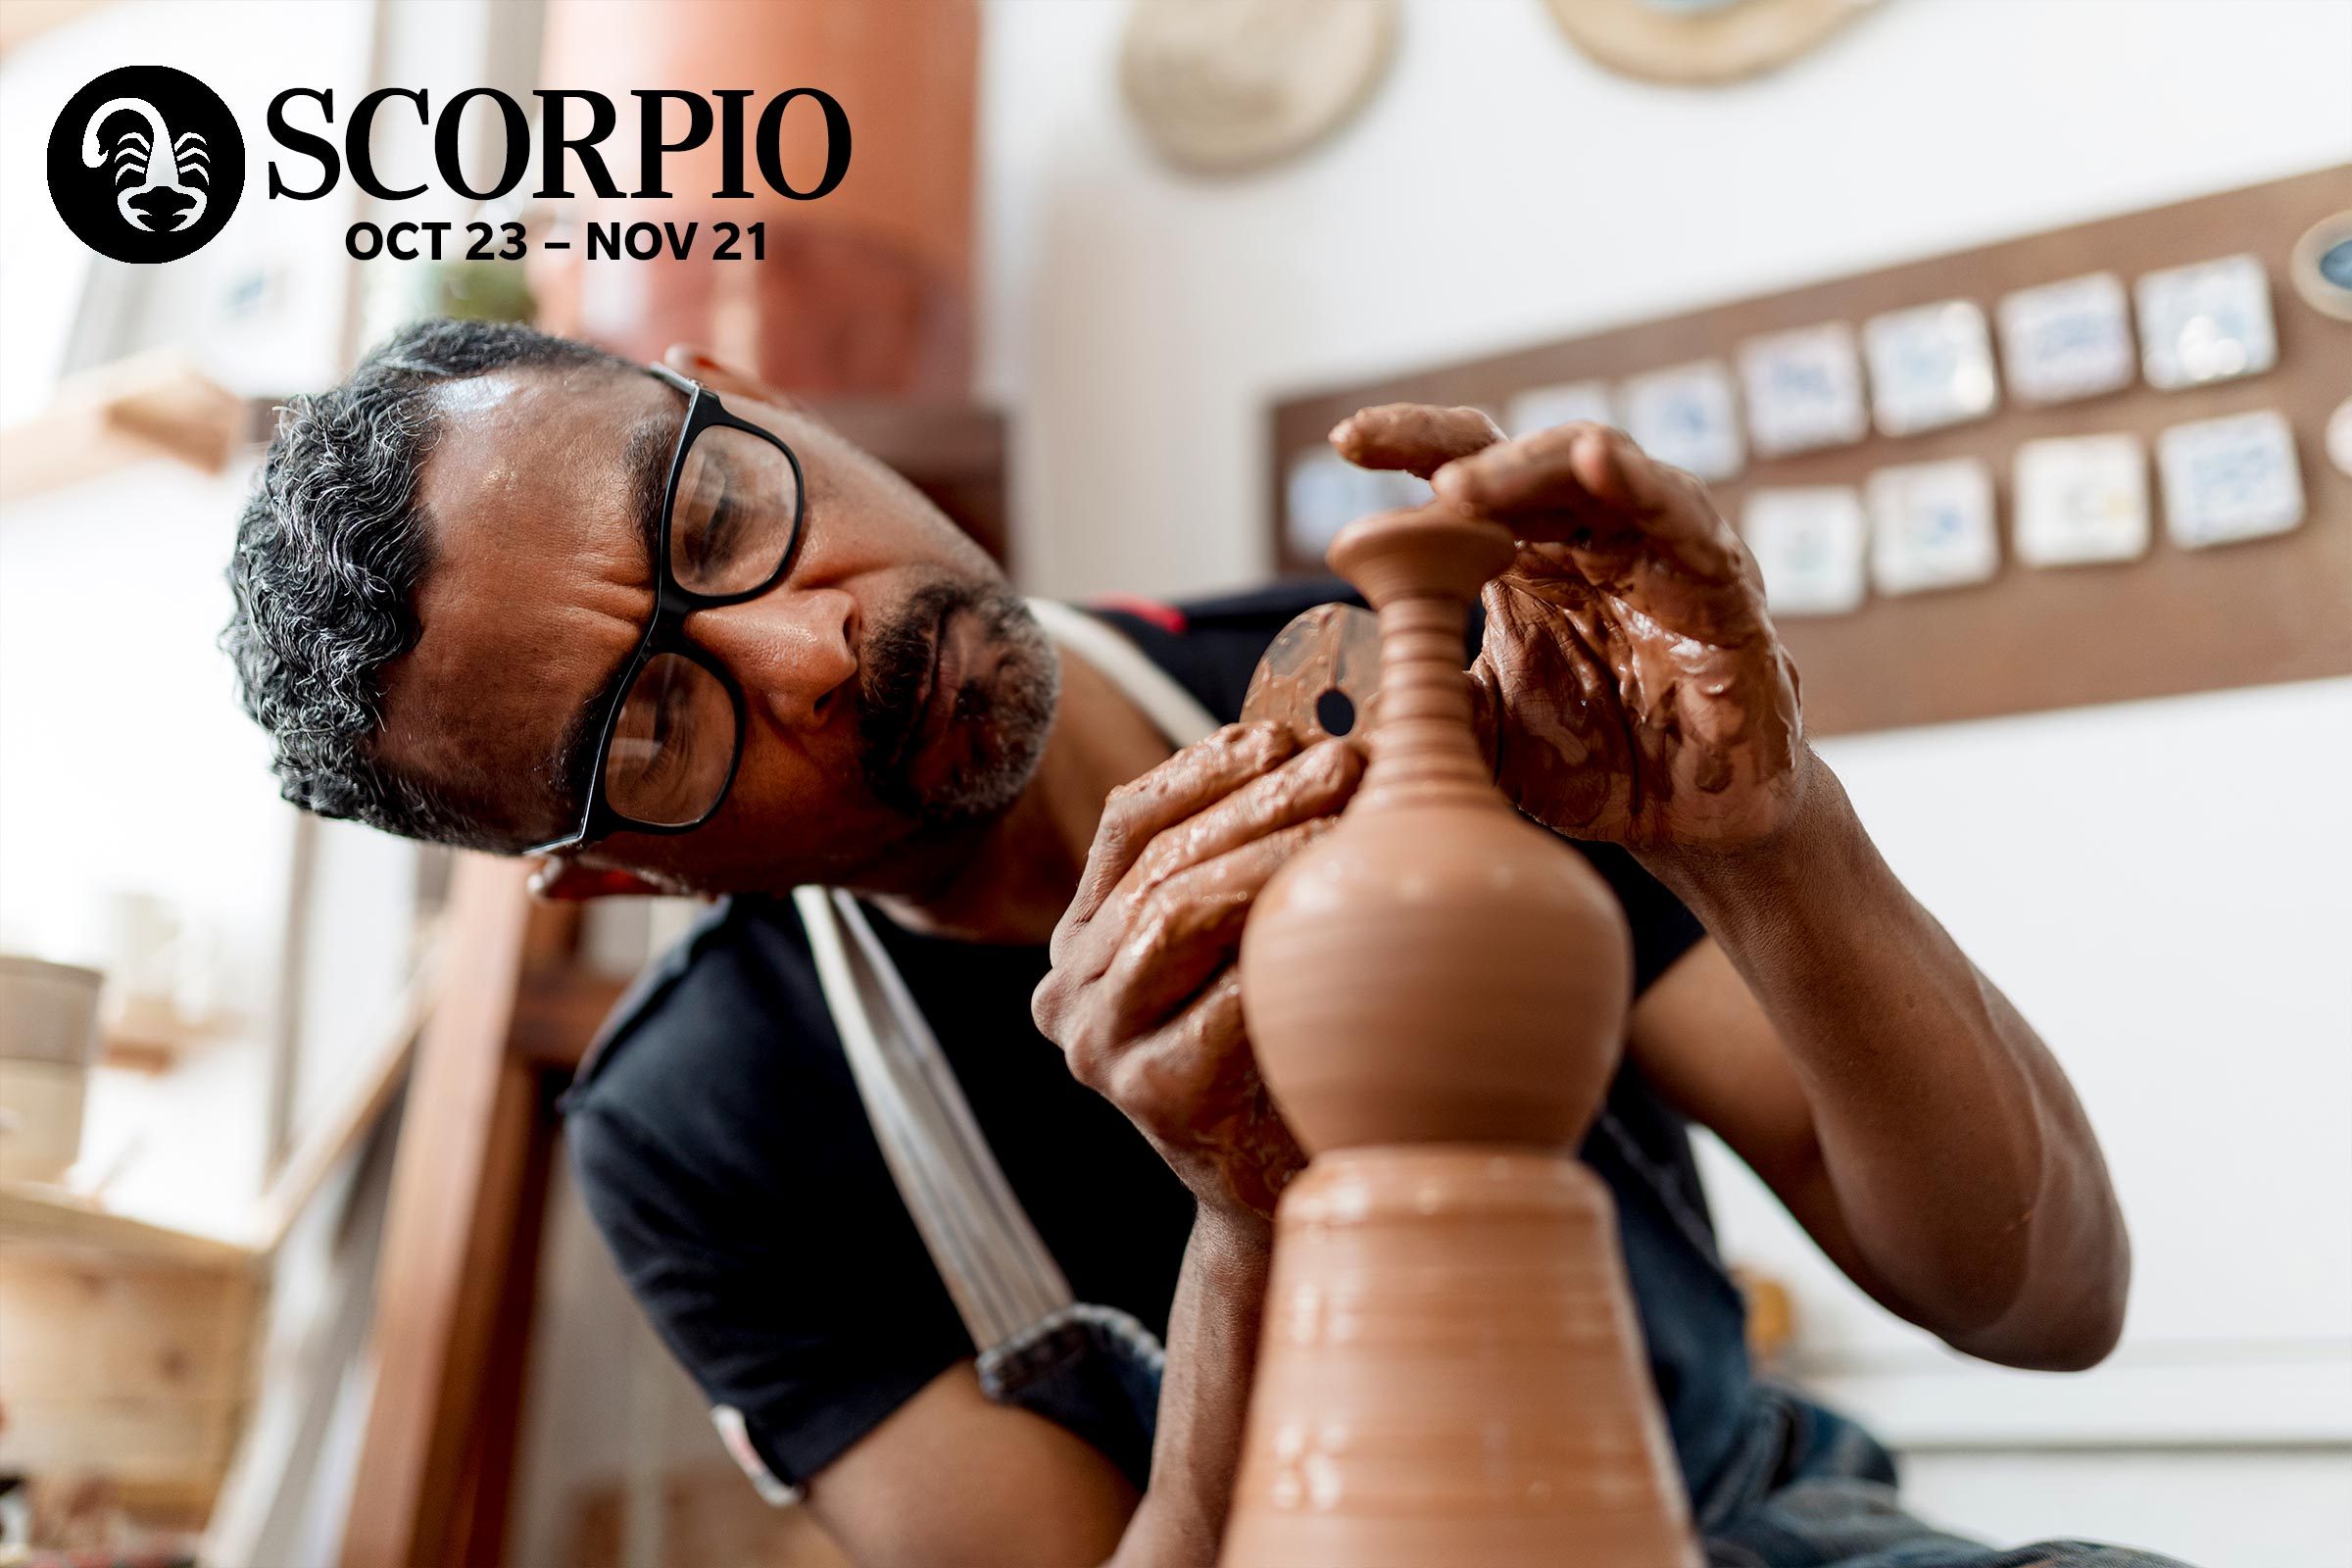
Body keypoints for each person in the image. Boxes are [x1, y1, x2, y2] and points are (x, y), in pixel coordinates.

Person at [223, 318, 2177, 1568]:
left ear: (763, 405)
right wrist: (1244, 1218)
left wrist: (1772, 835)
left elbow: (2044, 1296)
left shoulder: (1427, 695)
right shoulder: (710, 1121)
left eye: (722, 507)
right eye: (656, 721)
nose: (816, 644)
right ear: (615, 880)